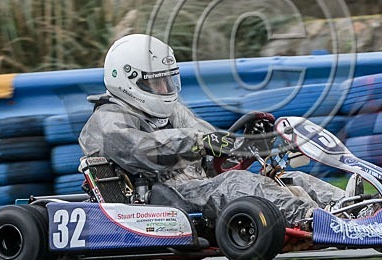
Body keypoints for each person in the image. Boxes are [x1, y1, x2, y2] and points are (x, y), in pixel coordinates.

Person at [78, 33, 345, 224]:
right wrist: (199, 142)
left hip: (200, 187)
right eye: (156, 83)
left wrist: (244, 143)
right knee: (235, 184)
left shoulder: (173, 110)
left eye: (167, 81)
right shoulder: (108, 119)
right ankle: (315, 219)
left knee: (284, 178)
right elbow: (144, 151)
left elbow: (208, 140)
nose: (164, 90)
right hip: (163, 198)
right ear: (129, 81)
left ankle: (351, 207)